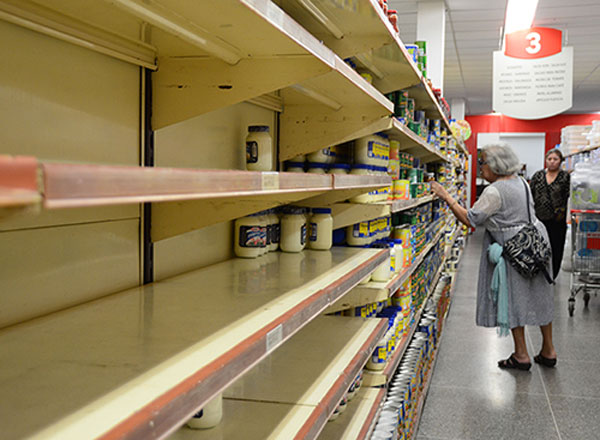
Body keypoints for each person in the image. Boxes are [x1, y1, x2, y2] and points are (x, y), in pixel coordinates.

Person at [432, 143, 557, 370]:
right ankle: (548, 350)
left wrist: (446, 196)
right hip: (537, 242)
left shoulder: (493, 191)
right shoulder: (522, 182)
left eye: (483, 162)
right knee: (540, 295)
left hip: (514, 248)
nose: (480, 167)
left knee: (513, 298)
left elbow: (470, 219)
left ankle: (521, 355)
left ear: (496, 165)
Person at [530, 149, 570, 279]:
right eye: (549, 159)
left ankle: (553, 275)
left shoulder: (565, 177)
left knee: (556, 247)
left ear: (560, 161)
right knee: (538, 246)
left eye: (555, 159)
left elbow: (569, 197)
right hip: (539, 219)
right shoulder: (537, 176)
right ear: (545, 160)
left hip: (557, 220)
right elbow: (530, 195)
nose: (552, 162)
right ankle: (539, 273)